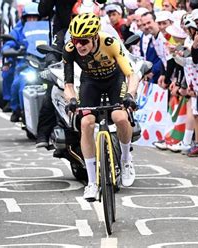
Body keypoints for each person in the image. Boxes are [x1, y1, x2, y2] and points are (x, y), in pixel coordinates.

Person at [63, 13, 139, 201]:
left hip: (115, 80)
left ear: (95, 36)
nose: (80, 45)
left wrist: (130, 95)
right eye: (76, 40)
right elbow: (68, 84)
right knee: (86, 123)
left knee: (119, 117)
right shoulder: (70, 48)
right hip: (91, 82)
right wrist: (71, 100)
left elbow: (132, 75)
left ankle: (126, 160)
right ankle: (91, 182)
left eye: (84, 41)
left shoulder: (110, 42)